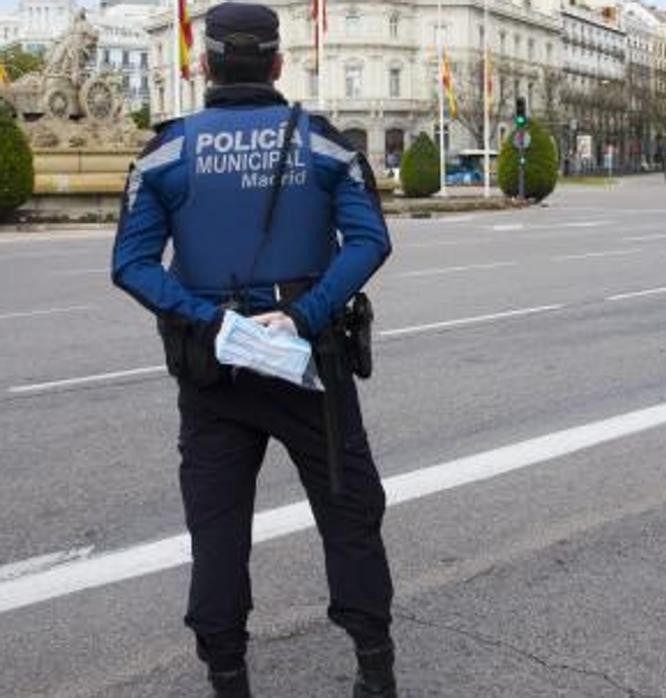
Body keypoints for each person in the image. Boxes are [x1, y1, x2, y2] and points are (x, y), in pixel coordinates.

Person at [111, 4, 396, 696]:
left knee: (218, 527)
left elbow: (132, 263)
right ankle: (375, 670)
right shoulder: (325, 144)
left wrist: (209, 322)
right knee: (349, 514)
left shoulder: (166, 152)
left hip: (214, 371)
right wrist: (300, 318)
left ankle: (228, 675)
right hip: (310, 362)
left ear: (205, 64)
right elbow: (369, 241)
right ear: (277, 63)